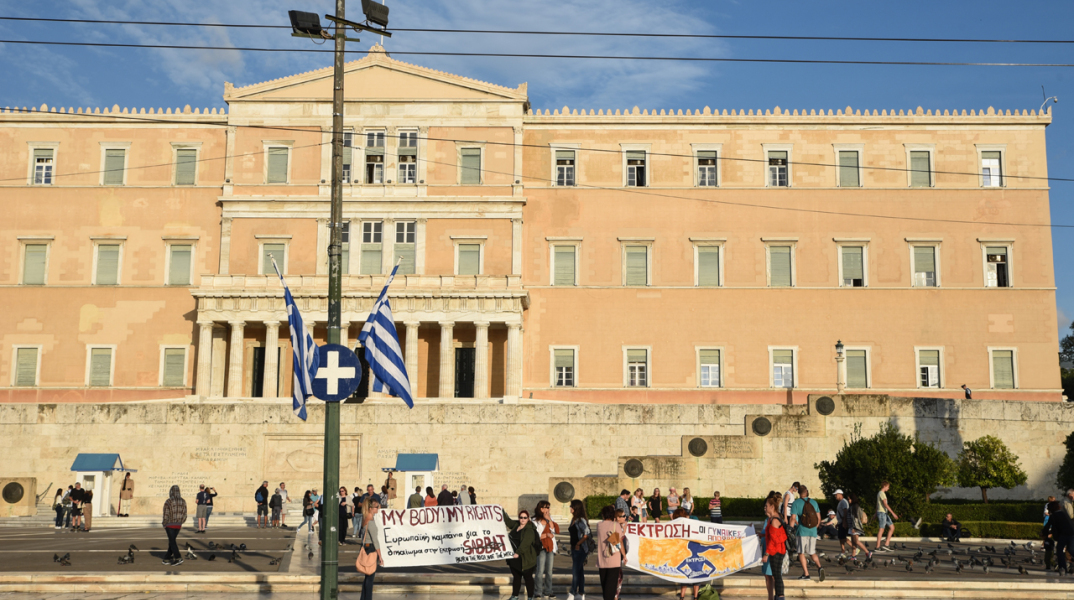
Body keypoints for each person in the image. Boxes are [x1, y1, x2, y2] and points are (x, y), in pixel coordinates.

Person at [789, 485, 825, 582]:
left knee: (801, 552)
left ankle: (806, 574)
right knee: (812, 552)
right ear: (807, 492)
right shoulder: (814, 502)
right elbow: (819, 519)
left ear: (799, 492)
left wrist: (789, 530)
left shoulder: (796, 503)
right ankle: (820, 567)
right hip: (813, 531)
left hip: (802, 531)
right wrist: (814, 528)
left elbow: (793, 518)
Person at [503, 509, 539, 600]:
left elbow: (525, 544)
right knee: (516, 577)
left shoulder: (529, 529)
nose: (522, 519)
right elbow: (508, 521)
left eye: (525, 518)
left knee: (528, 578)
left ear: (528, 519)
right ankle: (515, 596)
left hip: (526, 558)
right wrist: (501, 510)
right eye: (521, 517)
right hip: (514, 558)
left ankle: (530, 597)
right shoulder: (516, 525)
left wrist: (518, 553)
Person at [596, 505, 625, 600]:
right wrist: (624, 556)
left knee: (604, 586)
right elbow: (619, 541)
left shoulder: (599, 525)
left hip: (602, 560)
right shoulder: (615, 525)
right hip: (614, 559)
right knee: (611, 587)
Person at [533, 500, 561, 600]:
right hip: (541, 548)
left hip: (550, 547)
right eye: (544, 507)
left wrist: (549, 520)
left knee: (549, 571)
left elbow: (554, 531)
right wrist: (546, 535)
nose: (547, 510)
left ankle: (548, 591)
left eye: (548, 507)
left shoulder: (550, 519)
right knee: (540, 570)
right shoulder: (535, 520)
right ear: (540, 509)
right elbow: (535, 536)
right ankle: (538, 592)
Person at [761, 497, 786, 600]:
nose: (765, 508)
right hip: (778, 550)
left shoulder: (774, 521)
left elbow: (773, 540)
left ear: (772, 507)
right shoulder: (775, 517)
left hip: (776, 551)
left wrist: (766, 554)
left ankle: (780, 597)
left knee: (777, 576)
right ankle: (778, 597)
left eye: (766, 506)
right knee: (776, 575)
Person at [359, 497, 385, 600]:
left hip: (366, 548)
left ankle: (363, 598)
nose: (378, 509)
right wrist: (380, 556)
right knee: (370, 578)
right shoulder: (371, 522)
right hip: (371, 549)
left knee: (367, 577)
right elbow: (375, 540)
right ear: (371, 508)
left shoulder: (365, 519)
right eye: (376, 507)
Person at [672, 508, 699, 600]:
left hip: (692, 547)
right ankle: (683, 597)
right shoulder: (681, 522)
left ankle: (693, 597)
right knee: (686, 576)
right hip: (685, 550)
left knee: (696, 574)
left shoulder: (693, 519)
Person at [567, 499, 590, 600]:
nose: (570, 508)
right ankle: (581, 593)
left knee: (575, 571)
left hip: (580, 549)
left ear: (576, 508)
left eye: (571, 506)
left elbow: (586, 534)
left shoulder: (581, 520)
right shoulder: (574, 519)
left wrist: (578, 544)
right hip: (574, 548)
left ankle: (572, 592)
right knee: (579, 571)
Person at [1043, 500, 1074, 574]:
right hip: (1072, 534)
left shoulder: (1053, 516)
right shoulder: (1064, 513)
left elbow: (1047, 527)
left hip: (1063, 535)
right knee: (1071, 550)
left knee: (1059, 550)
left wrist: (1044, 533)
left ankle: (1062, 568)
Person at [162, 485, 187, 566]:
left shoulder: (168, 501)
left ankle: (178, 557)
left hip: (170, 524)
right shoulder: (183, 501)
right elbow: (185, 514)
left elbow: (166, 513)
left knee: (172, 541)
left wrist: (164, 523)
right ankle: (166, 558)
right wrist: (181, 522)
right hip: (178, 525)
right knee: (172, 541)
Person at [846, 493, 873, 560]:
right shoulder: (852, 506)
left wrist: (854, 528)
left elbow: (856, 518)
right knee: (853, 542)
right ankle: (853, 555)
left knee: (856, 541)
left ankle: (867, 552)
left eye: (849, 499)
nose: (848, 500)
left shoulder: (855, 506)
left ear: (852, 499)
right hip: (852, 527)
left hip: (855, 527)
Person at [874, 481, 898, 552]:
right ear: (884, 486)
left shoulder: (880, 493)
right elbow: (885, 504)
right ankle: (877, 547)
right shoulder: (881, 493)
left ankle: (886, 544)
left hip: (884, 513)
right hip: (882, 513)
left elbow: (877, 505)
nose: (888, 488)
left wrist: (875, 513)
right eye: (888, 487)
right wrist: (893, 513)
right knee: (881, 529)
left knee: (892, 527)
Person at [833, 489, 850, 557]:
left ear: (840, 494)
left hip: (843, 522)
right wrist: (838, 522)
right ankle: (842, 551)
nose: (835, 496)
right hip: (841, 522)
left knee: (843, 537)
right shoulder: (840, 502)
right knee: (841, 537)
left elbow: (845, 512)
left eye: (836, 495)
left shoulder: (844, 502)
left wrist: (844, 522)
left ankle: (854, 547)